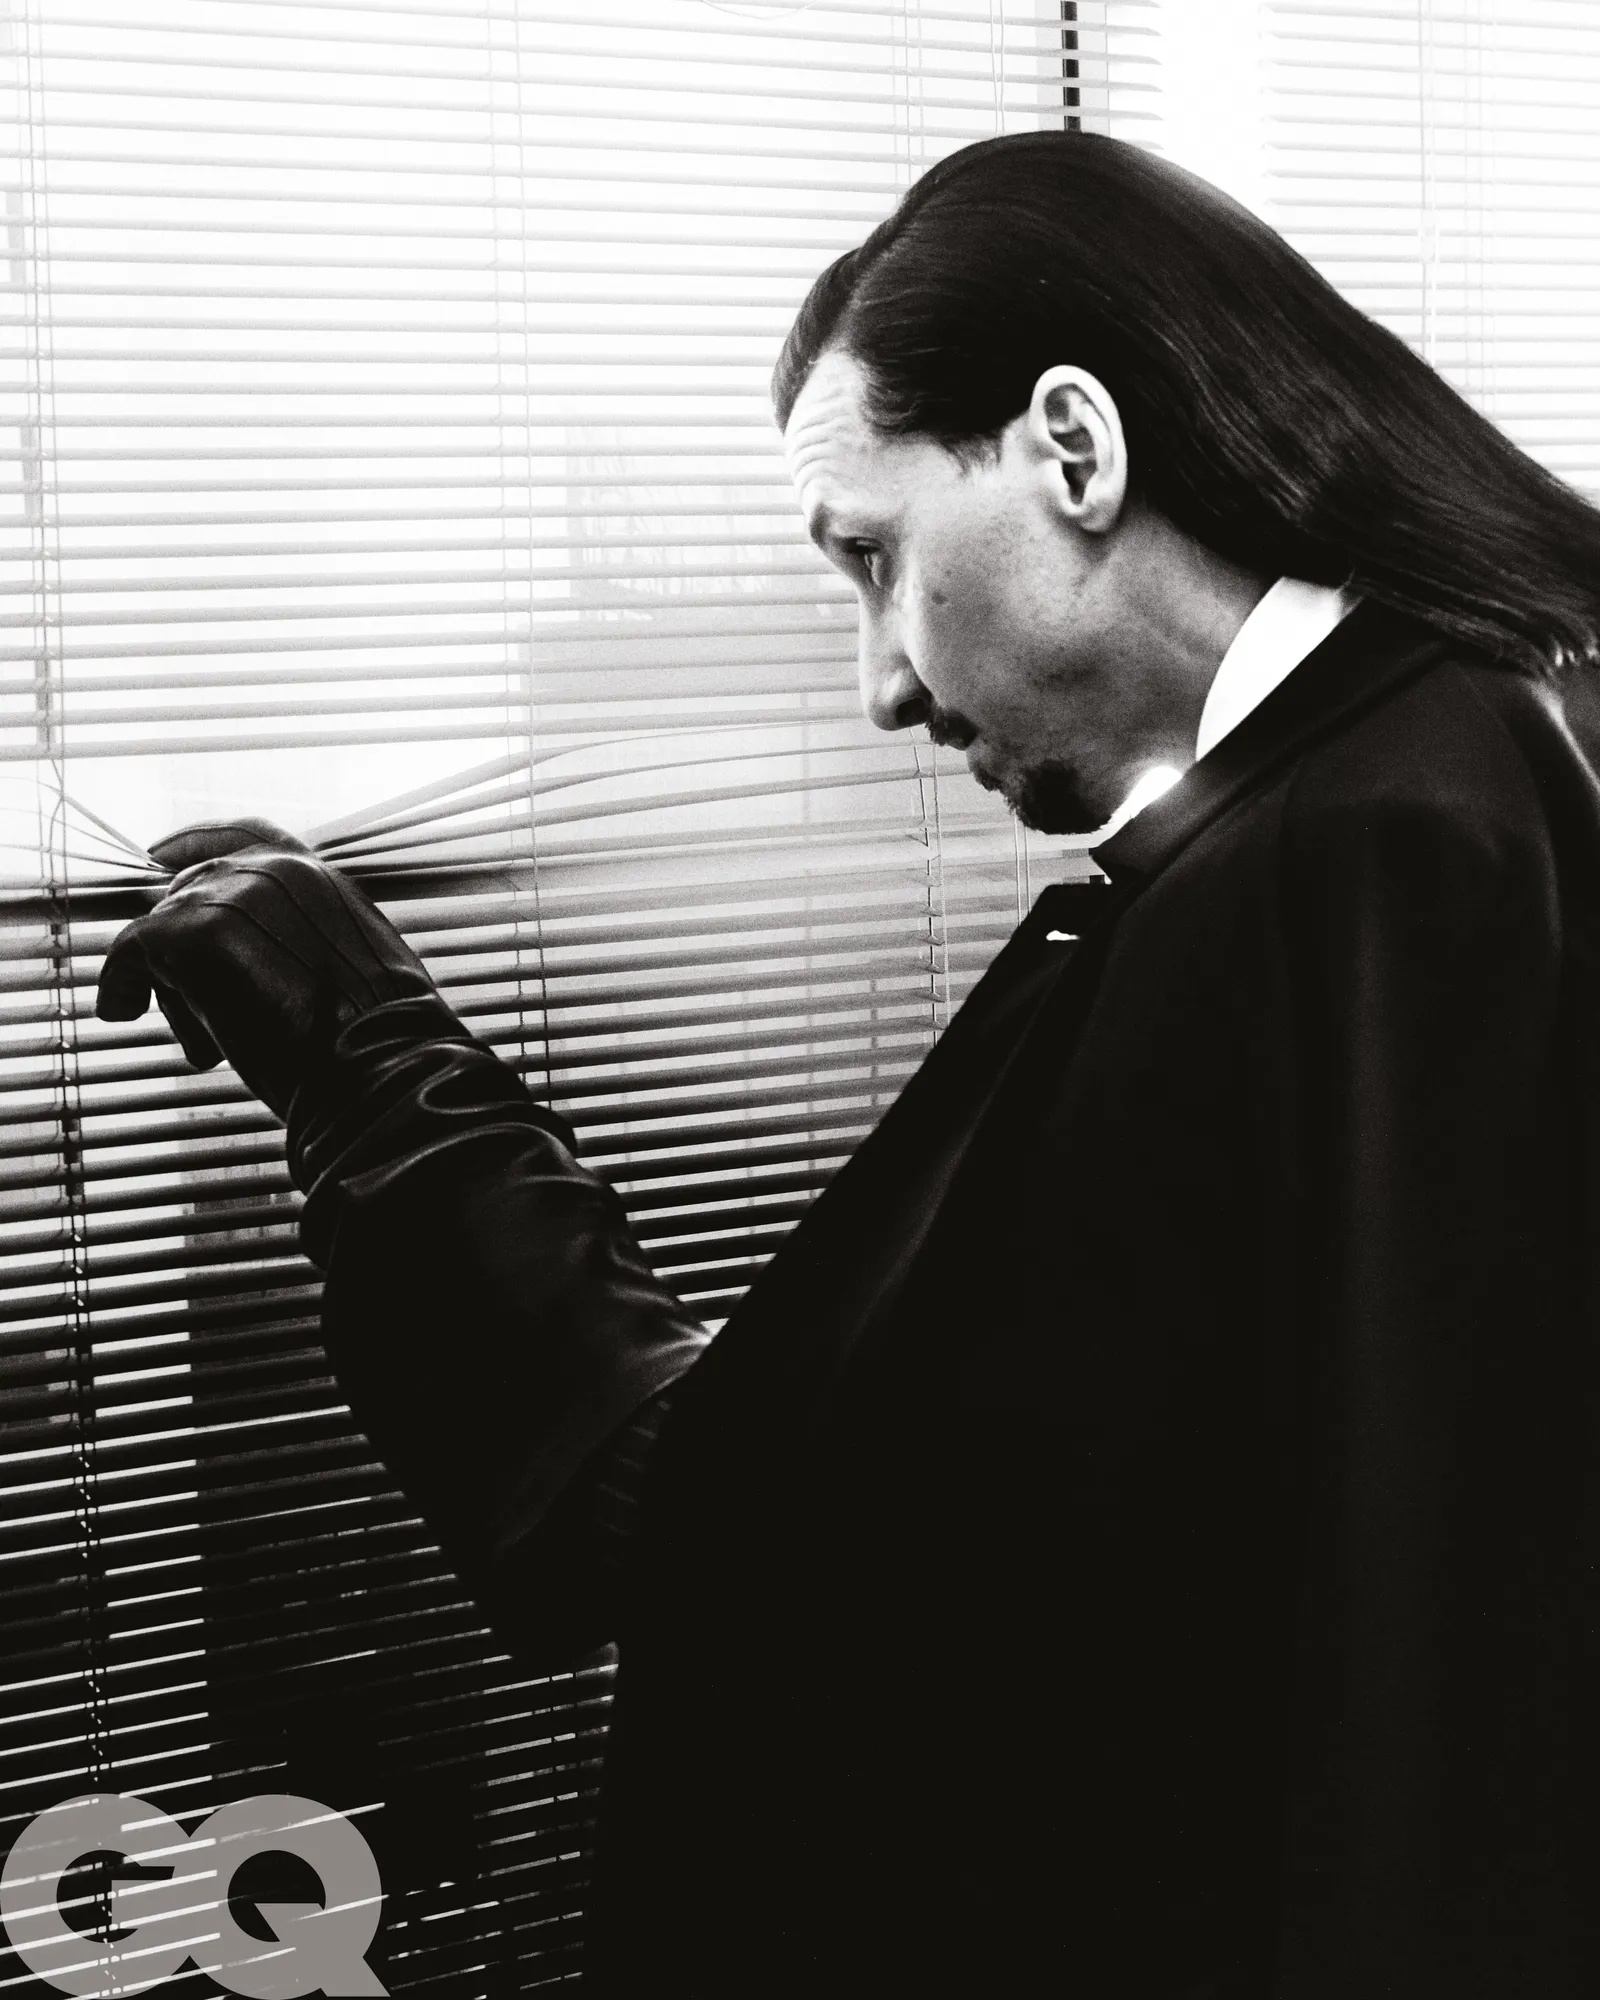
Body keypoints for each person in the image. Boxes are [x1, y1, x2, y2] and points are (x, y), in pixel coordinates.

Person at [97, 132, 1600, 1997]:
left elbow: (772, 1549)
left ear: (1074, 449)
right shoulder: (1493, 751)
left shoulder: (1351, 877)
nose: (880, 683)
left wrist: (368, 1056)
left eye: (873, 557)